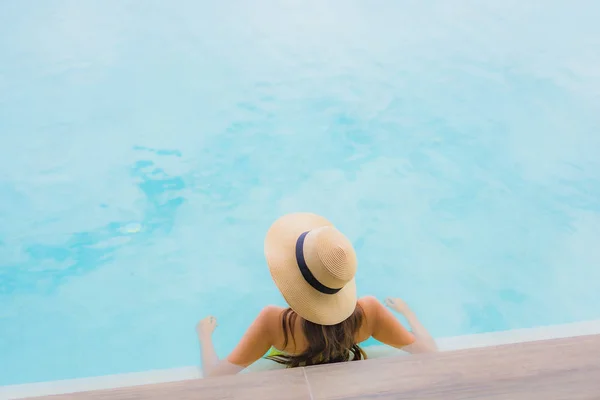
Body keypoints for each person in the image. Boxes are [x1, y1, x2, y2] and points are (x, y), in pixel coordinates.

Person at [196, 213, 437, 377]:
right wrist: (408, 313)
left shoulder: (274, 321)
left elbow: (216, 376)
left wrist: (205, 336)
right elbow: (428, 352)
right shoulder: (369, 312)